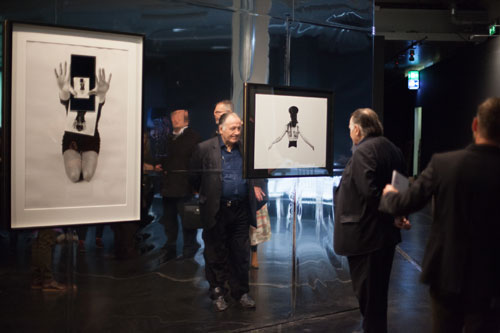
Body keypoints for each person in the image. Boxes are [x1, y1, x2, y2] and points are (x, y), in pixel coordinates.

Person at [379, 97, 500, 333]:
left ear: (475, 125)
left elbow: (406, 201)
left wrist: (389, 194)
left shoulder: (444, 164)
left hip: (447, 273)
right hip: (492, 280)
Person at [333, 108, 406, 333]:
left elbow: (369, 192)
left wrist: (392, 214)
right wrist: (398, 214)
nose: (350, 134)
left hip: (366, 237)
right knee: (377, 296)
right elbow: (401, 188)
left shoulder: (364, 151)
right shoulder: (393, 149)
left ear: (357, 129)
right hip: (384, 236)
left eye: (349, 129)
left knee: (370, 298)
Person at [190, 112, 266, 312]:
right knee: (216, 254)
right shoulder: (205, 149)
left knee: (240, 255)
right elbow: (194, 178)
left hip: (240, 210)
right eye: (232, 128)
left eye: (239, 128)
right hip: (217, 210)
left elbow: (255, 173)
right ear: (220, 129)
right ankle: (218, 293)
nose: (236, 132)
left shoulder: (245, 149)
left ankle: (241, 293)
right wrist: (207, 196)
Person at [54, 62, 111, 183]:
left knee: (87, 175)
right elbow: (64, 98)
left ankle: (83, 157)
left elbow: (101, 100)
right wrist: (63, 89)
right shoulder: (72, 94)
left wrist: (102, 94)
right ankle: (77, 156)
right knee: (74, 175)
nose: (82, 84)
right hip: (71, 139)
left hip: (91, 139)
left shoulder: (95, 96)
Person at [160, 109, 201, 261]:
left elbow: (197, 162)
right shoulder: (168, 138)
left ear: (186, 121)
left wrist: (196, 186)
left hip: (186, 187)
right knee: (169, 220)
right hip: (168, 186)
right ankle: (170, 245)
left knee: (188, 220)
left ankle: (190, 246)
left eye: (178, 117)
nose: (174, 120)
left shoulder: (194, 137)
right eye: (173, 117)